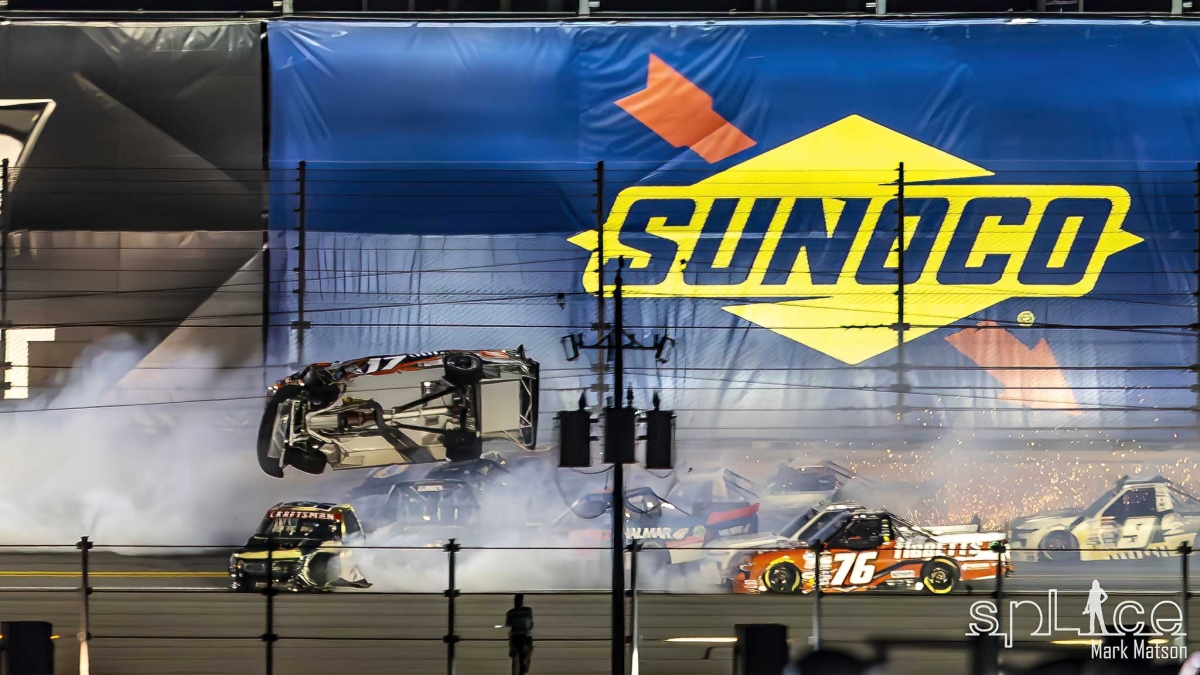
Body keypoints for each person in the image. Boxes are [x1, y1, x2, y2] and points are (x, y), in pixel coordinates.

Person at [506, 594, 533, 675]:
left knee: (515, 655)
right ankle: (525, 665)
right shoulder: (527, 611)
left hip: (516, 636)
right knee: (527, 652)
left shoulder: (511, 612)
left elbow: (509, 625)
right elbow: (531, 623)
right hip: (525, 635)